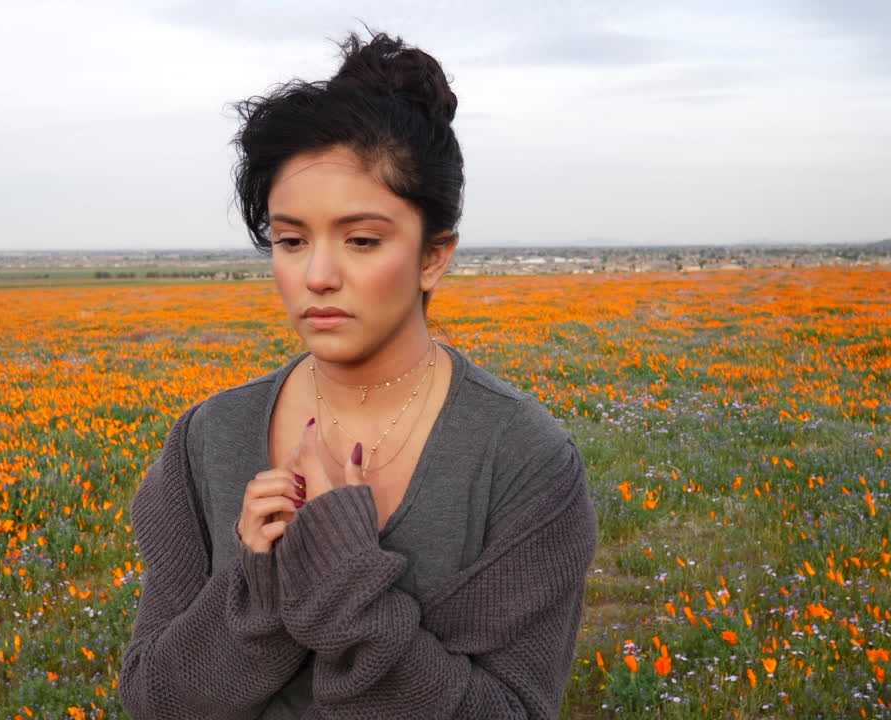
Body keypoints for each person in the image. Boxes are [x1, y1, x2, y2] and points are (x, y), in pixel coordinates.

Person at [118, 29, 597, 720]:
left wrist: (343, 583)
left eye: (362, 240)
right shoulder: (207, 440)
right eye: (290, 240)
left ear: (434, 257)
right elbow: (155, 702)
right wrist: (262, 591)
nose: (317, 275)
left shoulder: (522, 462)